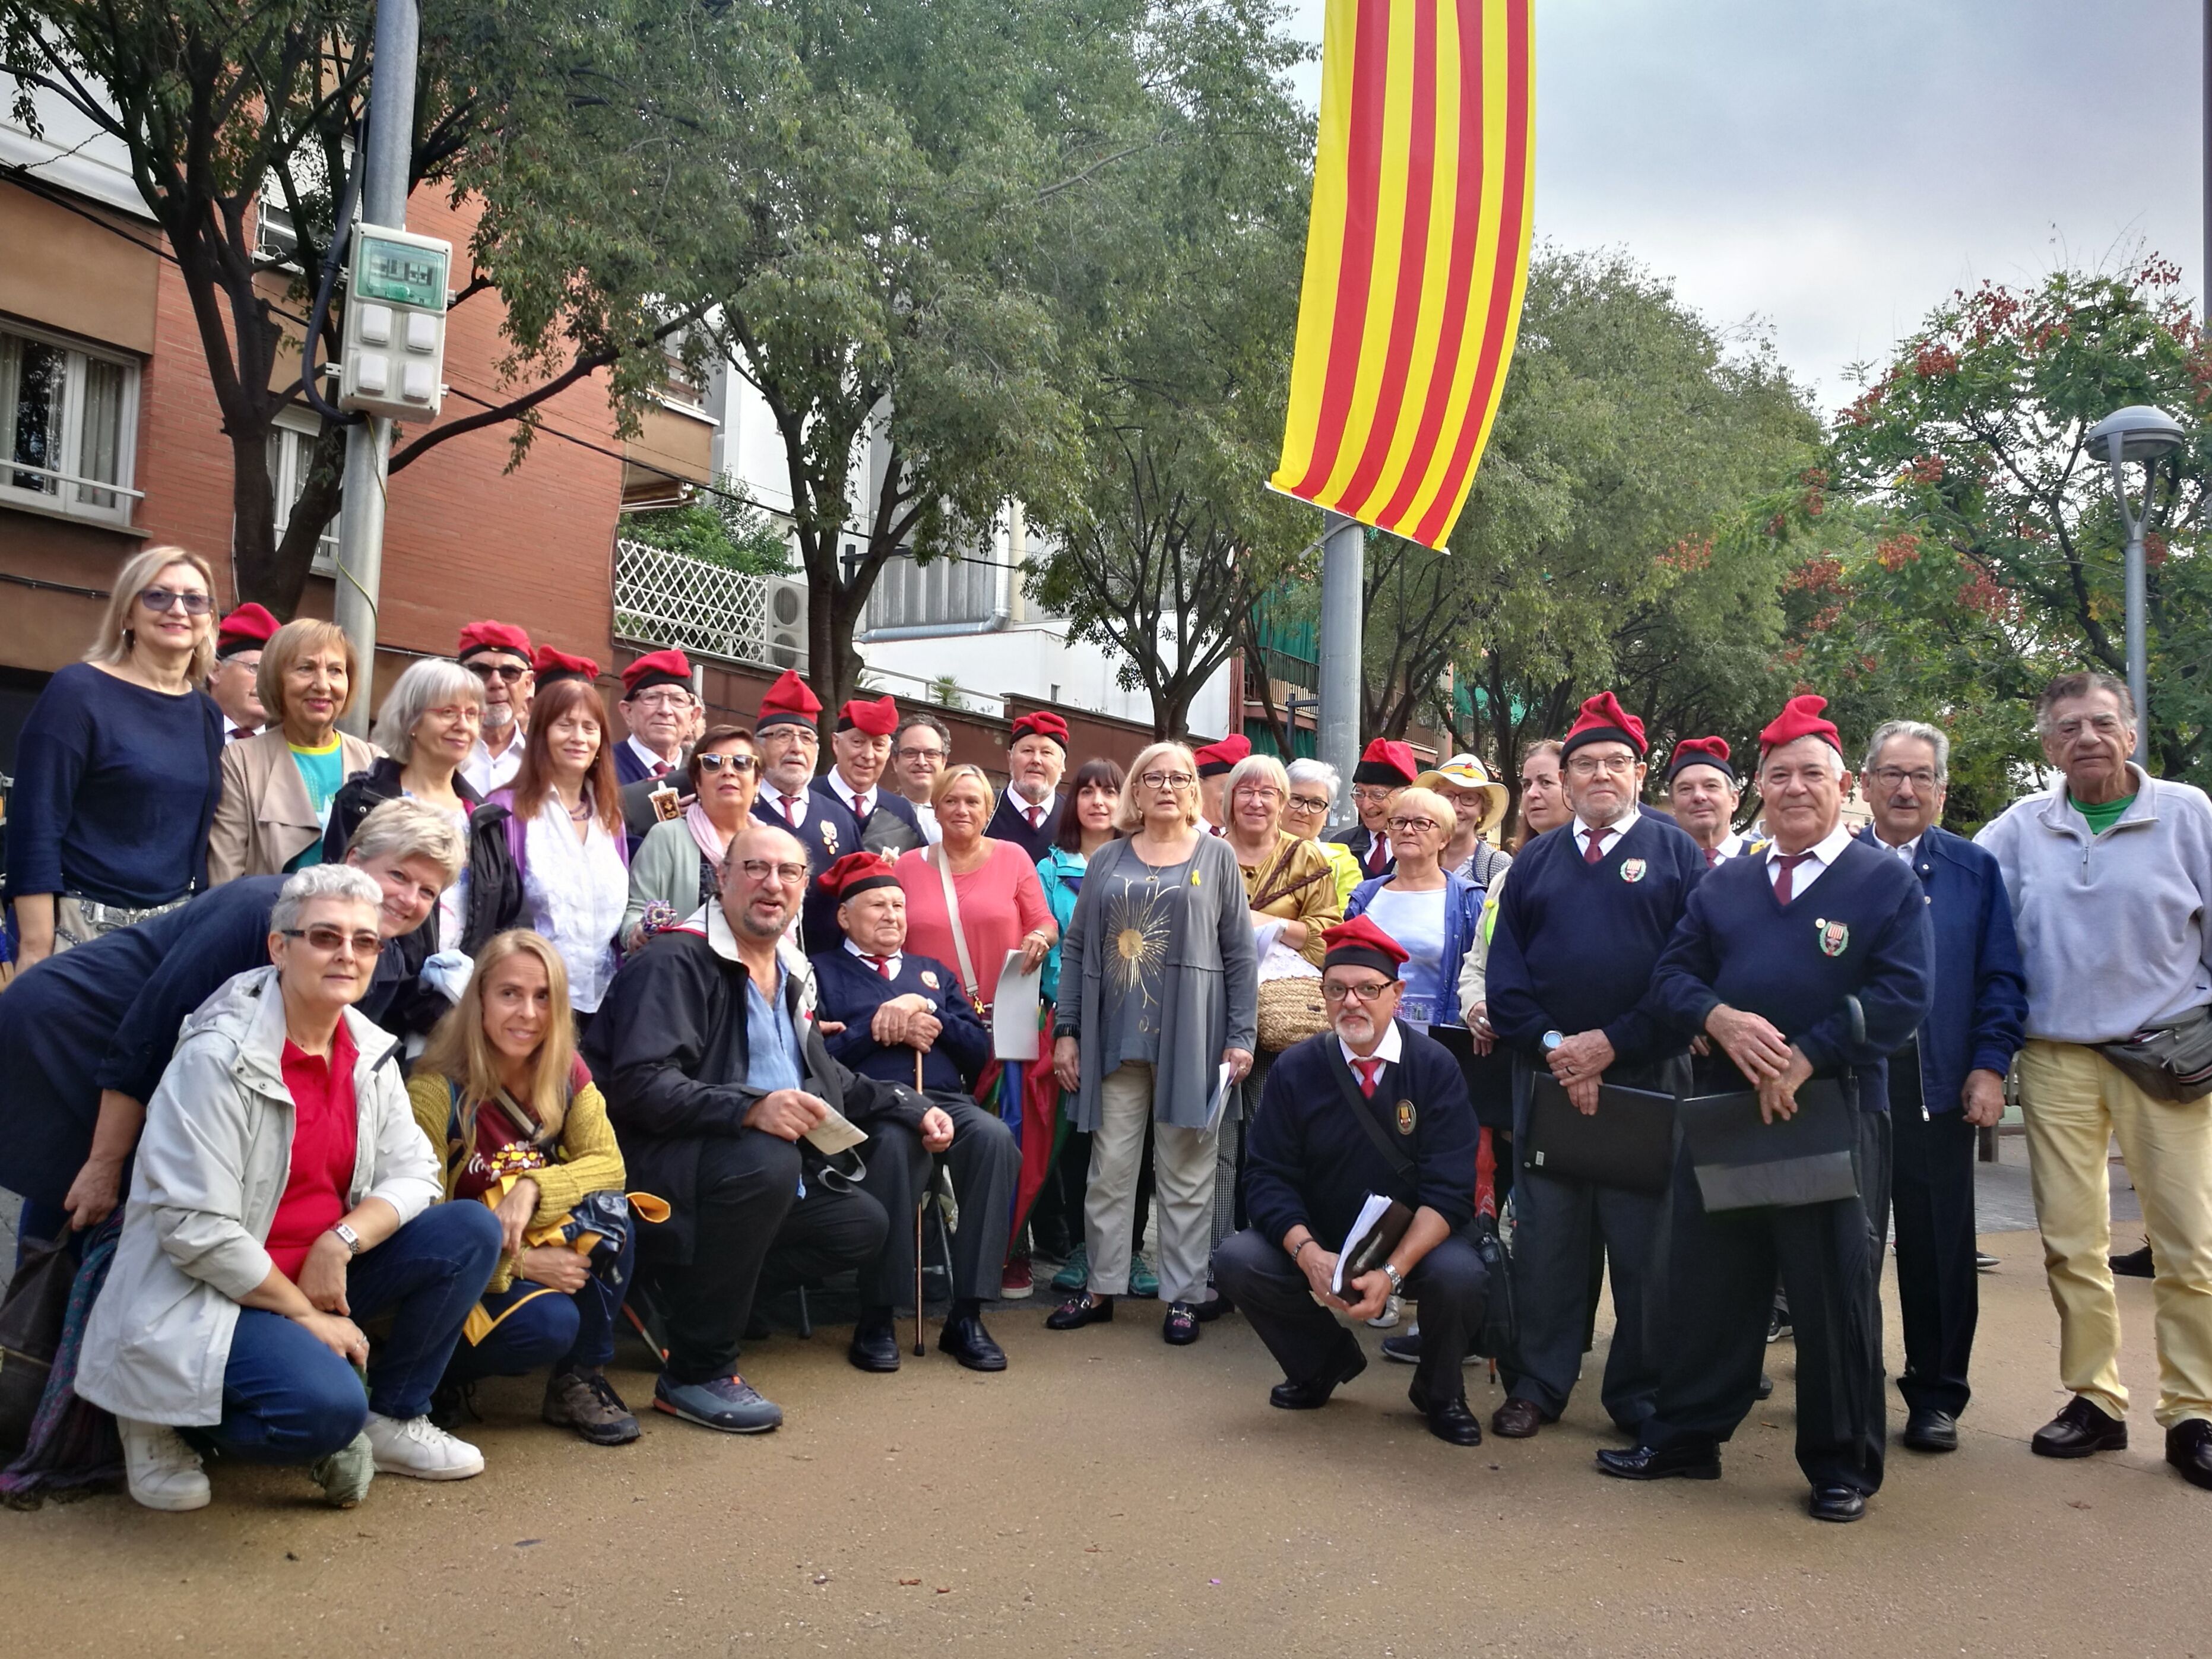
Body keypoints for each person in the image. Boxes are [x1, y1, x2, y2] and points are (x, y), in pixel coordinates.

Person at [75, 865, 501, 1511]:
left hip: (315, 1268)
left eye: (365, 942)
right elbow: (197, 1230)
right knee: (323, 1412)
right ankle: (163, 1415)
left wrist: (342, 1239)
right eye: (325, 937)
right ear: (280, 947)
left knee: (469, 1230)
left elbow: (417, 1172)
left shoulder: (365, 1048)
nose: (347, 955)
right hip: (216, 1288)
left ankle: (392, 1417)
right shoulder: (219, 1057)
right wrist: (303, 1315)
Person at [1603, 694, 1932, 1524]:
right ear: (1759, 784)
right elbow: (1674, 977)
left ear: (1842, 783)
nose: (1793, 788)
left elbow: (1901, 999)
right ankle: (1685, 1436)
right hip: (1724, 1108)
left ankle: (1840, 1463)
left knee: (1831, 1294)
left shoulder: (1883, 882)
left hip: (1827, 1108)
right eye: (1778, 773)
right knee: (1708, 1282)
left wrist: (1806, 1053)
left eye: (1810, 774)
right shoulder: (1729, 883)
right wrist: (1715, 1018)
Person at [0, 800, 466, 1258]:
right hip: (75, 1025)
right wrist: (104, 1160)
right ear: (353, 861)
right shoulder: (263, 910)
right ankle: (32, 1323)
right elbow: (151, 1034)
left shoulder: (385, 959)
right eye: (399, 876)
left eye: (427, 892)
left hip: (150, 1046)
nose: (409, 899)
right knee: (84, 1182)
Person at [581, 824, 924, 1435]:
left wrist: (909, 1103)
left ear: (802, 890)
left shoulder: (786, 968)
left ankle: (685, 1297)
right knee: (768, 1160)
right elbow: (638, 1086)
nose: (773, 884)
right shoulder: (675, 960)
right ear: (721, 878)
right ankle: (696, 1369)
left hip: (746, 1176)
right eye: (756, 868)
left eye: (789, 872)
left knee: (861, 1223)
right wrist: (748, 1108)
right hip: (664, 1172)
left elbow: (824, 1075)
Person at [1976, 670, 2212, 1492]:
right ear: (2046, 746)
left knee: (2188, 1245)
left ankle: (2192, 1411)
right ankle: (2094, 1398)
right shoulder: (2015, 829)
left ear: (2132, 731)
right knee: (2071, 1243)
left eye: (2101, 722)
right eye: (2066, 727)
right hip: (2056, 1057)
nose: (2085, 737)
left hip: (2166, 1056)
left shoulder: (2188, 815)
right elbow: (1969, 917)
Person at [1482, 691, 1706, 1442]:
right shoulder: (1535, 863)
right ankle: (1538, 1381)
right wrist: (1560, 1052)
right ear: (1565, 777)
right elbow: (1506, 984)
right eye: (1585, 764)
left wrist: (1609, 1047)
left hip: (1646, 1080)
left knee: (1647, 1246)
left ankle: (1639, 1393)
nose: (1601, 774)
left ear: (1640, 774)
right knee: (1548, 1239)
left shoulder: (1679, 855)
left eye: (1616, 762)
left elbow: (1692, 976)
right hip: (1547, 1081)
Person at [1213, 916, 1490, 1445]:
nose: (1352, 1003)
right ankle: (1321, 1363)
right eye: (1337, 989)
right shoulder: (1297, 1069)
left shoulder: (1434, 1068)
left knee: (1460, 1275)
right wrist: (1309, 1255)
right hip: (1326, 1230)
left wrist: (1392, 1269)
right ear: (1322, 993)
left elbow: (1449, 1191)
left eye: (1368, 989)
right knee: (1237, 1261)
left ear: (1397, 994)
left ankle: (1440, 1390)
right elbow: (1267, 1178)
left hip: (1412, 1239)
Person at [1047, 743, 1257, 1345]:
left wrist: (1241, 1036)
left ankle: (1185, 1296)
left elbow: (1240, 954)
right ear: (1135, 792)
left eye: (1179, 778)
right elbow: (1078, 947)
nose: (1167, 786)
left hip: (1194, 1038)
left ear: (1195, 791)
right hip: (1114, 1037)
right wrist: (1068, 1031)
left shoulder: (1216, 857)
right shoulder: (1109, 858)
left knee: (1187, 1171)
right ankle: (1102, 1285)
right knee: (1109, 1171)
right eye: (1154, 777)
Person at [1856, 718, 2026, 1454]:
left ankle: (1935, 1394)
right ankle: (1849, 1389)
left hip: (1939, 1087)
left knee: (1937, 1248)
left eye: (1921, 776)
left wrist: (1989, 1066)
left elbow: (2002, 977)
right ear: (1863, 785)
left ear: (1942, 791)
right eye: (1891, 774)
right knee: (1846, 1247)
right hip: (1849, 1085)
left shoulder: (1971, 870)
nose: (1905, 788)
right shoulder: (1833, 865)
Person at [409, 930, 641, 1446]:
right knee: (549, 1325)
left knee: (615, 1216)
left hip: (534, 1233)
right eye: (510, 994)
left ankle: (578, 1379)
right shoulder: (434, 1089)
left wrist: (533, 1187)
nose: (528, 1014)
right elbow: (414, 1232)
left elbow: (609, 1165)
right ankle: (438, 1374)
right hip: (458, 1275)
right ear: (480, 1000)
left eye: (544, 998)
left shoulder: (564, 1072)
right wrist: (518, 1266)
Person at [809, 852, 1019, 1372]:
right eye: (877, 904)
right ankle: (878, 1313)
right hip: (871, 1107)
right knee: (892, 1148)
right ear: (844, 918)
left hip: (947, 1100)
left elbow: (980, 1050)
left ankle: (967, 1314)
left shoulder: (933, 973)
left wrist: (926, 1011)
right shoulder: (820, 972)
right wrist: (876, 1028)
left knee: (994, 1140)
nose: (892, 915)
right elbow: (815, 1059)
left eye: (899, 905)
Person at [7, 544, 224, 967]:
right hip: (78, 930)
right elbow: (35, 824)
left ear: (208, 620)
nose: (178, 609)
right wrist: (35, 947)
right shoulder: (77, 692)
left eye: (194, 599)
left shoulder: (206, 714)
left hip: (169, 935)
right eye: (158, 595)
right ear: (127, 614)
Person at [895, 764, 1057, 1296]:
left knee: (1008, 1134)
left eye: (972, 802)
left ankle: (1010, 1249)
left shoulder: (1012, 858)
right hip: (935, 1022)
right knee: (933, 1125)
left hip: (1006, 1013)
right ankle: (930, 1239)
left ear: (989, 811)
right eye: (951, 801)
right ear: (934, 809)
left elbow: (1044, 920)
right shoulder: (906, 865)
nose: (961, 810)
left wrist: (1039, 937)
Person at [1220, 751, 1342, 1264]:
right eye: (1245, 791)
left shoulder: (1308, 859)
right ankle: (1214, 1262)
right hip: (1211, 1012)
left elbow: (1325, 939)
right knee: (1217, 1144)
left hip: (1282, 1018)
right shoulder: (1206, 851)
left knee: (1276, 1141)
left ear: (1283, 802)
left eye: (1268, 792)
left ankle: (1280, 1258)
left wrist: (1263, 923)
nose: (1256, 801)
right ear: (1229, 800)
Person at [1034, 759, 1132, 1290]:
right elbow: (1054, 950)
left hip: (1132, 1021)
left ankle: (1131, 1251)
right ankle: (1077, 1247)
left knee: (1128, 1140)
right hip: (1068, 1018)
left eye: (1110, 791)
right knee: (1076, 1139)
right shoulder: (1049, 870)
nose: (1098, 801)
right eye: (1087, 791)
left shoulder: (1142, 861)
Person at [487, 677, 628, 1027]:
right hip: (531, 1006)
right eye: (564, 725)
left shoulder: (610, 817)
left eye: (589, 727)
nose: (578, 737)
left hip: (604, 1004)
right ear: (541, 734)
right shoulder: (506, 810)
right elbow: (495, 915)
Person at [322, 657, 486, 951]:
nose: (463, 726)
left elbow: (501, 910)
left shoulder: (484, 817)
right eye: (448, 712)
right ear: (411, 720)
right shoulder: (362, 801)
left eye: (472, 714)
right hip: (377, 980)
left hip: (462, 987)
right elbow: (336, 897)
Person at [210, 618, 379, 883]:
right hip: (267, 920)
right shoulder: (241, 760)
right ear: (277, 680)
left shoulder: (374, 762)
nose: (323, 685)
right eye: (306, 668)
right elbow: (224, 877)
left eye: (336, 670)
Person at [1345, 787, 1483, 1033]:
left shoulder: (1469, 900)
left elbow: (1483, 972)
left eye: (1421, 823)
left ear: (1445, 838)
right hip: (1372, 1035)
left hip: (1443, 1038)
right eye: (1398, 822)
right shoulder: (1364, 897)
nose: (1408, 830)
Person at [624, 725, 762, 950]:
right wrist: (637, 932)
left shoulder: (772, 845)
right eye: (713, 763)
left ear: (757, 782)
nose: (728, 771)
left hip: (755, 975)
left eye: (741, 762)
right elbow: (636, 911)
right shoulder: (668, 836)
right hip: (684, 972)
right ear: (698, 782)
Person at [806, 694, 928, 935]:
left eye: (878, 745)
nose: (868, 755)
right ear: (835, 743)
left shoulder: (901, 812)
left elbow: (919, 884)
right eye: (858, 742)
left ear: (889, 752)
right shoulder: (806, 800)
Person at [456, 620, 535, 797]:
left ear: (528, 684)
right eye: (480, 671)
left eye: (510, 672)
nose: (496, 683)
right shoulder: (437, 752)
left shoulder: (544, 761)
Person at [985, 710, 1072, 861]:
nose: (1036, 760)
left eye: (1046, 753)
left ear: (1062, 764)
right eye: (1027, 751)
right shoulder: (984, 809)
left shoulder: (1073, 816)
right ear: (1010, 758)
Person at [1416, 755, 1513, 888]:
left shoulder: (1497, 865)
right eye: (1448, 796)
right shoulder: (1414, 856)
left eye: (1468, 799)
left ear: (1483, 809)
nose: (1456, 808)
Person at [1329, 737, 1418, 880]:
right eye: (1359, 793)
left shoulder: (1425, 847)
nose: (1366, 805)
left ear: (1406, 794)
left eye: (1377, 795)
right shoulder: (1341, 845)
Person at [613, 648, 700, 786]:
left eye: (678, 700)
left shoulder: (702, 776)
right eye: (652, 698)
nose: (665, 710)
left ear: (693, 717)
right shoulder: (601, 768)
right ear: (628, 712)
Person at [1284, 758, 1362, 909]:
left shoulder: (1343, 865)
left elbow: (1342, 926)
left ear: (1326, 814)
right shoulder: (1250, 853)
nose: (1304, 811)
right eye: (1296, 799)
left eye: (1316, 803)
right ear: (1279, 802)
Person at [1665, 736, 1750, 865]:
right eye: (1686, 789)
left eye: (1711, 786)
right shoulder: (1660, 865)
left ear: (1733, 799)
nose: (1699, 796)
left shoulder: (1766, 862)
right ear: (1673, 805)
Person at [208, 602, 276, 742]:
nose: (269, 683)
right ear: (215, 671)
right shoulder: (183, 736)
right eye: (256, 669)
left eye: (276, 674)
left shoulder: (292, 748)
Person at [891, 711, 953, 844]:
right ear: (895, 761)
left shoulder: (959, 816)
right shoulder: (881, 814)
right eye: (910, 753)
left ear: (944, 761)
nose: (921, 762)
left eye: (931, 754)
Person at [1193, 734, 1251, 832]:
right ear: (1198, 786)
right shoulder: (1177, 835)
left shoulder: (1237, 839)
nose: (1234, 798)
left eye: (1243, 792)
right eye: (1226, 788)